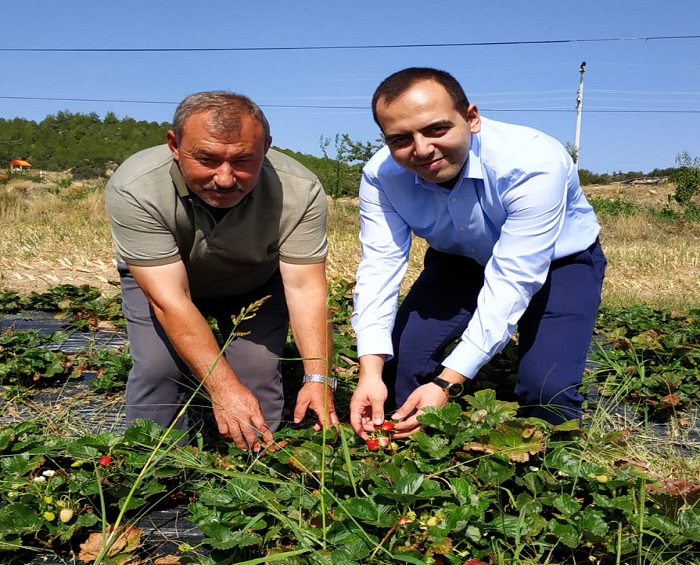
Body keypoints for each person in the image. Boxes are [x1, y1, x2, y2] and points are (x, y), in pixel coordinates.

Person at [350, 67, 606, 440]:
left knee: (546, 392)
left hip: (559, 263)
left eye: (437, 129)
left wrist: (446, 382)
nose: (422, 150)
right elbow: (379, 268)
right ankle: (409, 449)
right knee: (396, 367)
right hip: (458, 261)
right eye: (401, 139)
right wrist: (369, 372)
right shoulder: (381, 176)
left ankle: (555, 473)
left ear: (471, 118)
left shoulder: (532, 162)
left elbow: (513, 280)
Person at [105, 91, 338, 451]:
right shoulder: (136, 187)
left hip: (254, 282)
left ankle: (257, 473)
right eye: (207, 159)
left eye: (244, 160)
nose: (226, 178)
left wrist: (318, 376)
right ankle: (154, 469)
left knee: (258, 371)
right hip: (167, 284)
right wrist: (222, 387)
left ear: (267, 147)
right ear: (174, 144)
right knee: (157, 369)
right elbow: (170, 299)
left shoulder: (300, 189)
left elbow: (306, 289)